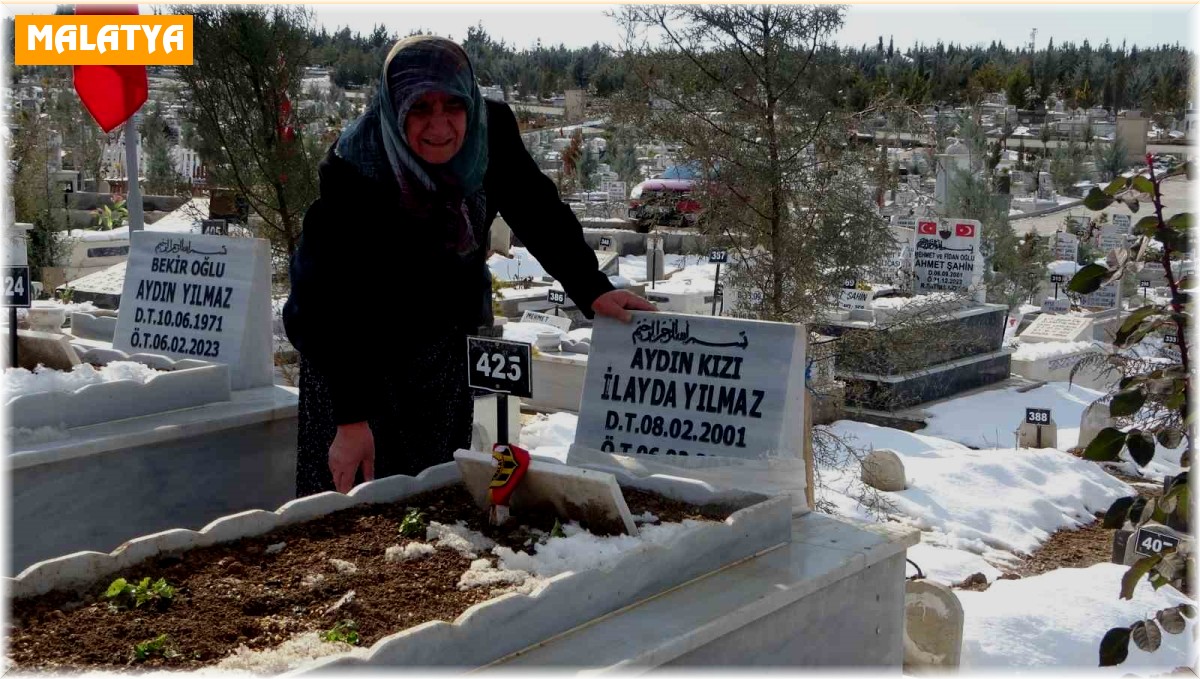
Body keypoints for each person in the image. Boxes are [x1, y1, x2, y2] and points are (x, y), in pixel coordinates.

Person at [283, 35, 654, 496]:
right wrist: (351, 418)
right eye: (419, 108)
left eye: (452, 105)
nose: (439, 126)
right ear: (395, 107)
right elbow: (320, 302)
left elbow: (537, 211)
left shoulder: (489, 131)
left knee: (433, 502)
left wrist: (591, 288)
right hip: (355, 360)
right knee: (355, 513)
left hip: (437, 353)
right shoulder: (356, 169)